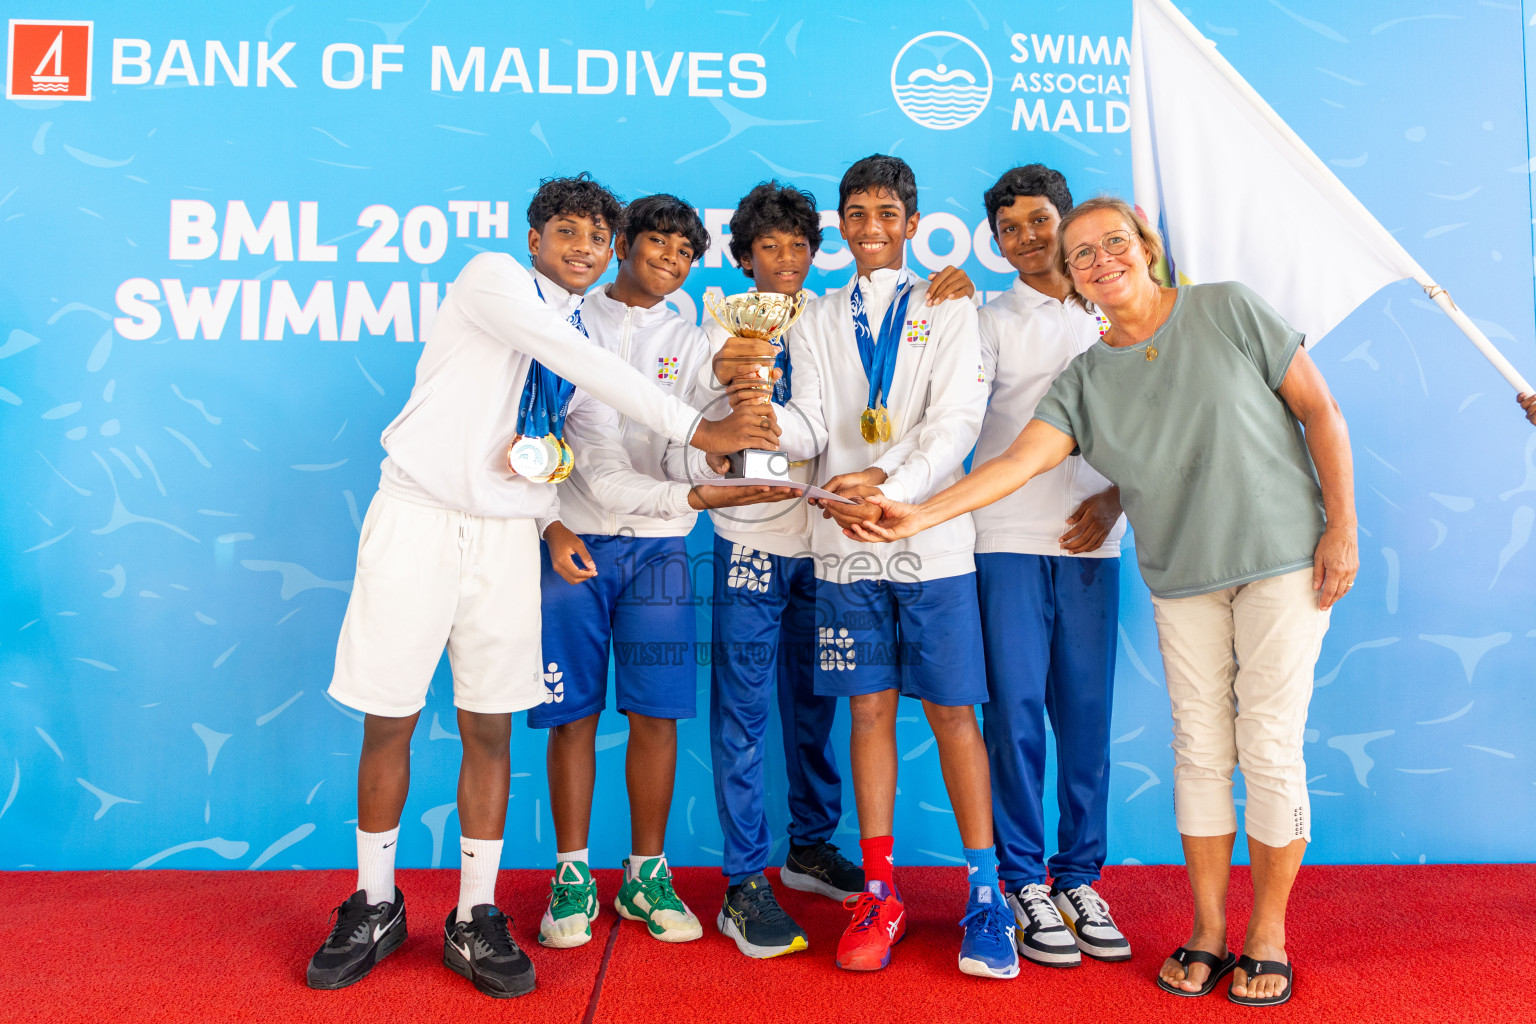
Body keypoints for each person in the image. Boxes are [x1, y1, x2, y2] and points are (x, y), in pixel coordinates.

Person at [847, 196, 1358, 1007]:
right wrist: (917, 509)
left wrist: (1343, 527)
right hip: (1180, 576)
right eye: (1084, 255)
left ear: (1146, 246)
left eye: (1112, 243)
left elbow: (1320, 411)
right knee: (1198, 750)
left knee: (1266, 744)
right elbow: (1017, 463)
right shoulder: (1086, 374)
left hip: (1281, 562)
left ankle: (1267, 935)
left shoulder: (1224, 306)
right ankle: (1207, 931)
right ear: (1074, 273)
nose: (1099, 261)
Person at [306, 174, 775, 999]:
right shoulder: (495, 281)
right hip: (416, 516)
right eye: (570, 233)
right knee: (392, 717)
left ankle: (474, 915)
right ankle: (374, 903)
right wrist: (703, 430)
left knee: (490, 726)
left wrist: (559, 518)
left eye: (598, 237)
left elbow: (553, 449)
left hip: (506, 535)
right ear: (534, 239)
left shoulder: (578, 321)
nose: (586, 248)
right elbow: (590, 369)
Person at [531, 192, 795, 950]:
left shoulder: (698, 333)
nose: (671, 261)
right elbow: (558, 433)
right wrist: (549, 520)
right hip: (574, 540)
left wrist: (726, 443)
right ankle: (572, 876)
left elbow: (695, 438)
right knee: (571, 714)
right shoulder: (572, 321)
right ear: (622, 247)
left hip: (662, 545)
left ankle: (646, 874)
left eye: (685, 253)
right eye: (657, 245)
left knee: (657, 713)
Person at [798, 154, 1018, 979]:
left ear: (913, 224)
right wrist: (764, 439)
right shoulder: (818, 317)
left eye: (886, 213)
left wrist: (891, 485)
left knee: (957, 717)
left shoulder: (949, 305)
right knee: (867, 716)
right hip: (846, 545)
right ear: (840, 226)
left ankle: (986, 894)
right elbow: (815, 421)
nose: (870, 228)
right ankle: (880, 889)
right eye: (854, 213)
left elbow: (958, 420)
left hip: (931, 542)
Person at [698, 181, 860, 960]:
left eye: (799, 246)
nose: (787, 260)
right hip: (749, 540)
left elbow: (822, 422)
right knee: (744, 713)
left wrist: (767, 422)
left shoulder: (825, 318)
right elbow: (706, 429)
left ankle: (808, 847)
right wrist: (746, 414)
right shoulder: (716, 325)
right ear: (743, 257)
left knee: (814, 705)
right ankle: (741, 882)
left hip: (821, 544)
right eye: (770, 247)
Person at [974, 166, 1130, 969]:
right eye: (1011, 228)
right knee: (1017, 719)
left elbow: (1156, 429)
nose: (1029, 238)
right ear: (995, 242)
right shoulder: (983, 319)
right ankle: (1023, 879)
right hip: (1003, 541)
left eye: (1041, 221)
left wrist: (1116, 503)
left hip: (1093, 546)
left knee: (1086, 720)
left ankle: (1078, 876)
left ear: (1068, 224)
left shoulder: (1121, 311)